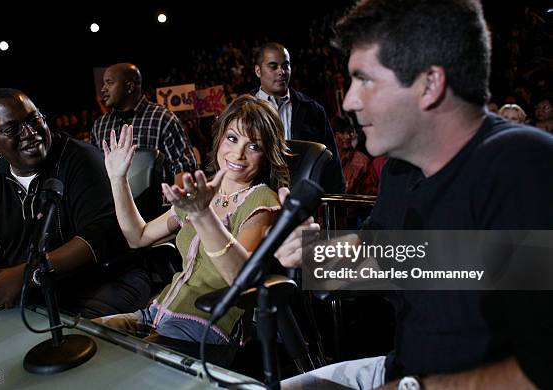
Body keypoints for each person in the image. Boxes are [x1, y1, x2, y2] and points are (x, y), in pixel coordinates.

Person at [276, 1, 553, 389]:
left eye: (365, 80)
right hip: (401, 368)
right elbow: (392, 261)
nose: (349, 101)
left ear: (429, 84)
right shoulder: (401, 171)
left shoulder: (523, 166)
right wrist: (312, 254)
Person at [97, 95, 289, 358]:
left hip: (205, 326)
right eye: (232, 138)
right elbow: (138, 236)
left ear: (267, 154)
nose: (238, 153)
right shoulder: (203, 191)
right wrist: (118, 179)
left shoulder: (263, 200)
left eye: (253, 146)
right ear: (220, 138)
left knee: (118, 362)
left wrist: (202, 214)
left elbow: (240, 279)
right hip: (155, 313)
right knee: (87, 336)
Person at [0, 88, 150, 318]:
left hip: (102, 283)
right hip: (28, 295)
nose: (29, 133)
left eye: (34, 120)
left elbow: (103, 234)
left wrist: (29, 273)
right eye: (12, 129)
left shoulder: (81, 158)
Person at [251, 43, 345, 193]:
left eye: (285, 66)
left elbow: (331, 162)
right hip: (255, 199)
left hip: (301, 201)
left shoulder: (313, 110)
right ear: (258, 70)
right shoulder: (242, 110)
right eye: (273, 66)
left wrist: (337, 208)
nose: (281, 72)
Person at [90, 63, 197, 186]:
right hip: (111, 204)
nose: (103, 89)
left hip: (155, 204)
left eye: (109, 82)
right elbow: (94, 172)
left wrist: (175, 202)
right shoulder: (99, 126)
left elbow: (184, 166)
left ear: (129, 87)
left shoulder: (163, 118)